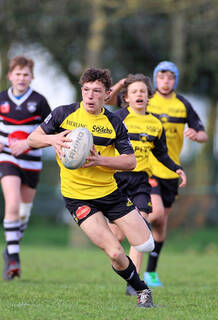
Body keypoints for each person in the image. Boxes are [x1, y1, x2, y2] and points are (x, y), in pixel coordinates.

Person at [27, 67, 154, 308]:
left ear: (107, 94)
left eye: (96, 91)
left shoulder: (114, 121)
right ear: (81, 91)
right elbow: (31, 139)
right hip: (78, 198)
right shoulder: (63, 114)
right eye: (86, 90)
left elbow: (130, 161)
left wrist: (100, 160)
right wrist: (52, 139)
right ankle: (142, 290)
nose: (90, 96)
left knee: (146, 243)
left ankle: (115, 225)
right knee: (116, 253)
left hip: (111, 194)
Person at [108, 73, 186, 296]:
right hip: (117, 179)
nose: (139, 94)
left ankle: (133, 283)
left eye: (143, 91)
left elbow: (162, 154)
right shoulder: (117, 118)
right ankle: (124, 267)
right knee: (117, 238)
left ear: (148, 97)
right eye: (134, 91)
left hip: (141, 181)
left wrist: (177, 169)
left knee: (141, 228)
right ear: (126, 98)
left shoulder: (155, 123)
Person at [144, 61, 208, 287]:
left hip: (172, 171)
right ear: (155, 79)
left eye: (170, 77)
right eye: (161, 77)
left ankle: (150, 272)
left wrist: (195, 134)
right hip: (148, 167)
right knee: (156, 214)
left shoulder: (183, 104)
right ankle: (132, 229)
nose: (165, 81)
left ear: (175, 80)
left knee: (161, 225)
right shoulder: (147, 100)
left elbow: (203, 134)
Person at [0, 56, 51, 281]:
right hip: (7, 158)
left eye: (26, 74)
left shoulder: (39, 101)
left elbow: (50, 128)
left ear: (32, 77)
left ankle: (10, 248)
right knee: (11, 204)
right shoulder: (1, 99)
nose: (21, 78)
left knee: (24, 213)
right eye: (17, 74)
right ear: (10, 75)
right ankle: (14, 259)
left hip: (32, 160)